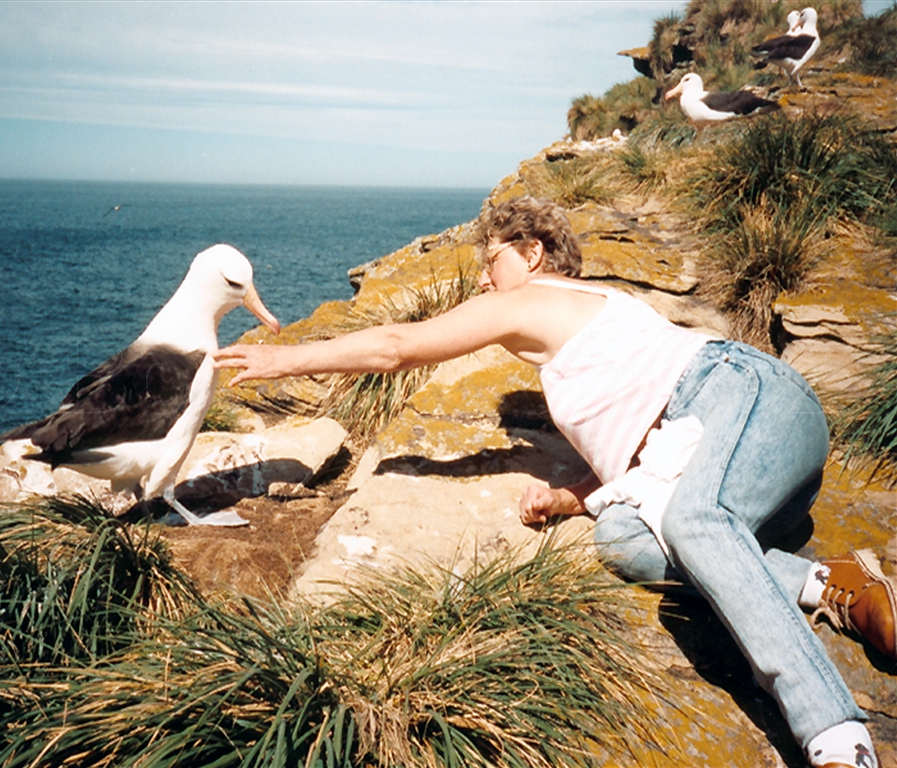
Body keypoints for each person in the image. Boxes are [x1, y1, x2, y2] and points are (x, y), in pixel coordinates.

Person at [213, 196, 895, 768]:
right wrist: (576, 496)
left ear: (532, 253)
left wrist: (286, 358)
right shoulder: (584, 324)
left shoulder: (536, 298)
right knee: (624, 540)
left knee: (693, 523)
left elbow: (397, 348)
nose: (484, 283)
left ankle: (837, 736)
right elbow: (635, 452)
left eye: (492, 263)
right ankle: (828, 582)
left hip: (748, 395)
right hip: (730, 458)